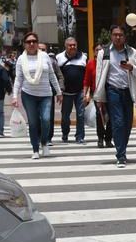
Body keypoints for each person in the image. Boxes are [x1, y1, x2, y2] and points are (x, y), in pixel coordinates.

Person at [95, 25, 136, 168]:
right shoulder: (103, 53)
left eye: (121, 35)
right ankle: (121, 155)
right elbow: (99, 75)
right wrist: (98, 97)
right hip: (113, 91)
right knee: (118, 122)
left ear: (125, 37)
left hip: (128, 91)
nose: (118, 37)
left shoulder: (132, 52)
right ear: (111, 36)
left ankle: (122, 149)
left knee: (127, 124)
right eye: (115, 34)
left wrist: (132, 67)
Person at [12, 32, 62, 160]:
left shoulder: (45, 56)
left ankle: (44, 142)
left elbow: (52, 75)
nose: (32, 44)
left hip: (45, 94)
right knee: (33, 123)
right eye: (28, 42)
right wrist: (14, 96)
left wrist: (59, 92)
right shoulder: (21, 60)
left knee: (46, 120)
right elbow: (18, 79)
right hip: (28, 95)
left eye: (34, 41)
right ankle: (35, 149)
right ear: (24, 45)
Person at [57, 37, 88, 144]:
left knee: (81, 114)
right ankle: (65, 133)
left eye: (74, 45)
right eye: (70, 45)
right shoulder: (59, 58)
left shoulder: (83, 57)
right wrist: (58, 92)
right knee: (65, 116)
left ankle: (80, 136)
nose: (72, 47)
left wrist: (86, 92)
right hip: (66, 93)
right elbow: (57, 76)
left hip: (80, 92)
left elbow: (86, 76)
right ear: (66, 46)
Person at [83, 43, 111, 148]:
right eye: (97, 50)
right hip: (97, 94)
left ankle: (108, 138)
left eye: (101, 50)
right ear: (93, 51)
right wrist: (85, 94)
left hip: (109, 93)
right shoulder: (90, 63)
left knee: (111, 117)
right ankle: (100, 139)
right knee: (99, 116)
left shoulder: (108, 62)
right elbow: (86, 80)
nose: (99, 52)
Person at [38, 42, 64, 149]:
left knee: (48, 117)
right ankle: (38, 137)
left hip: (48, 93)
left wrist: (59, 90)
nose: (41, 51)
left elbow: (59, 76)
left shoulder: (52, 62)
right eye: (39, 49)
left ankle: (48, 138)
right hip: (32, 94)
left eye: (43, 49)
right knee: (36, 117)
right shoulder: (28, 61)